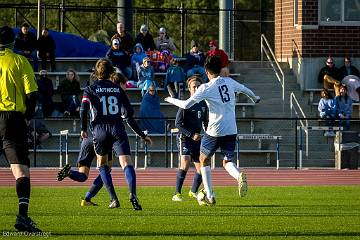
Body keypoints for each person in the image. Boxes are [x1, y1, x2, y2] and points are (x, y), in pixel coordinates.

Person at [165, 55, 260, 206]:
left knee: (203, 159)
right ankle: (238, 175)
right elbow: (244, 89)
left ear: (207, 71)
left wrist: (170, 99)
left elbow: (185, 105)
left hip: (215, 129)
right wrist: (255, 98)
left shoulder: (206, 87)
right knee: (227, 161)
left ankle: (209, 194)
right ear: (221, 69)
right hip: (231, 128)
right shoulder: (229, 81)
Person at [57, 71, 152, 210]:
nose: (125, 87)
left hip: (90, 137)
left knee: (84, 175)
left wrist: (84, 128)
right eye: (124, 84)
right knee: (107, 168)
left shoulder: (95, 91)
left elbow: (87, 109)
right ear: (118, 83)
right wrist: (142, 135)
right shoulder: (116, 91)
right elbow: (128, 117)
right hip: (105, 135)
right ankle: (116, 198)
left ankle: (85, 195)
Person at [0, 25, 41, 232]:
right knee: (21, 170)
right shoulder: (19, 60)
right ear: (13, 42)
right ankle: (22, 217)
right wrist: (27, 117)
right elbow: (32, 93)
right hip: (12, 118)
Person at [172, 75, 208, 202]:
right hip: (185, 138)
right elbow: (178, 124)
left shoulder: (204, 104)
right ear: (189, 89)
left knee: (201, 168)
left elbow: (206, 122)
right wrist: (191, 134)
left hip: (197, 140)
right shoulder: (185, 104)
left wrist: (209, 133)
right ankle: (176, 194)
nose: (196, 88)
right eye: (194, 87)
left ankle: (193, 191)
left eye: (198, 86)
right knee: (185, 162)